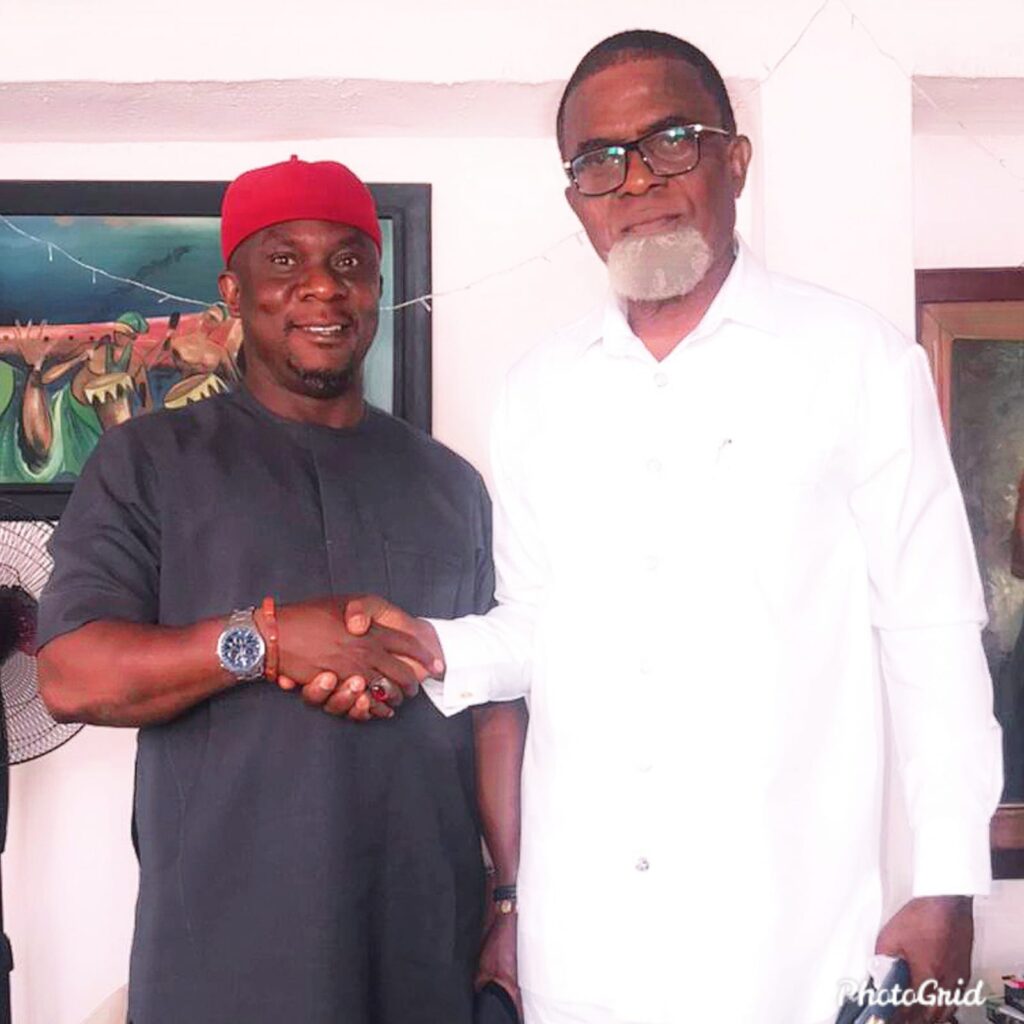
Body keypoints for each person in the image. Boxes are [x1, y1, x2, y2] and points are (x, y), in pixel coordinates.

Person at [329, 31, 1003, 1024]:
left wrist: (948, 883)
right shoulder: (537, 393)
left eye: (671, 141)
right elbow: (536, 624)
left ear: (736, 160)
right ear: (577, 201)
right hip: (584, 946)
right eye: (600, 160)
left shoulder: (856, 363)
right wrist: (429, 647)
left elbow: (932, 632)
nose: (637, 179)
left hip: (781, 944)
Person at [36, 156, 525, 1024]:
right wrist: (263, 642)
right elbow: (71, 674)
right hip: (222, 958)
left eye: (348, 261)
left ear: (377, 287)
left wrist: (512, 900)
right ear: (233, 291)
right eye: (285, 261)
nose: (322, 287)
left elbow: (495, 707)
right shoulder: (149, 461)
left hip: (423, 946)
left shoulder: (450, 485)